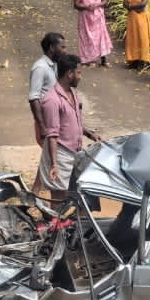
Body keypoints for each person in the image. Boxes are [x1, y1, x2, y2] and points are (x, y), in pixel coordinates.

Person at [36, 54, 102, 201]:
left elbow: (73, 122)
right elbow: (52, 135)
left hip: (75, 153)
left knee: (80, 195)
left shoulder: (73, 93)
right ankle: (54, 223)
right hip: (60, 154)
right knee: (58, 198)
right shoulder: (52, 100)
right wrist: (54, 164)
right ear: (69, 74)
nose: (80, 77)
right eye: (78, 73)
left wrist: (90, 134)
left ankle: (69, 222)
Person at [29, 32, 66, 145]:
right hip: (47, 119)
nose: (64, 50)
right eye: (62, 47)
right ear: (51, 48)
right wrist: (42, 126)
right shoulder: (40, 68)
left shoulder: (55, 65)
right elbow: (33, 98)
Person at [74, 0, 113, 68]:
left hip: (98, 18)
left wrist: (97, 5)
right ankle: (88, 60)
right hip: (85, 19)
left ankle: (103, 60)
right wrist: (86, 6)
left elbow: (104, 1)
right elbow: (76, 4)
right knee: (86, 38)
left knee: (101, 38)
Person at [123, 0, 150, 70]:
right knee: (132, 39)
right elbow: (124, 4)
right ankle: (133, 60)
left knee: (142, 39)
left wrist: (131, 6)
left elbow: (144, 3)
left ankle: (142, 61)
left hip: (142, 18)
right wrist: (136, 6)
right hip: (132, 19)